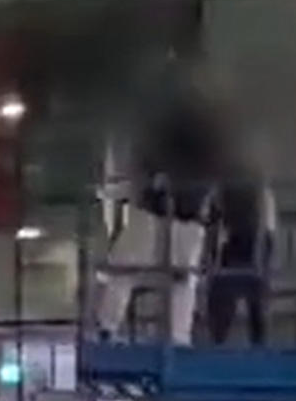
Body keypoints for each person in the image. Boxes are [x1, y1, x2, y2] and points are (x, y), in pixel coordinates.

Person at [96, 79, 232, 342]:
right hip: (189, 212)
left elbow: (146, 159)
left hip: (156, 207)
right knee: (182, 280)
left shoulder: (161, 124)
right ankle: (178, 338)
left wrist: (151, 178)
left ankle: (108, 326)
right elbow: (215, 170)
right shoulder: (210, 133)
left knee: (123, 268)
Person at [205, 151, 275, 345]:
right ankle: (220, 340)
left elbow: (261, 211)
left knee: (253, 293)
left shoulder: (249, 175)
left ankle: (255, 343)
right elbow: (214, 215)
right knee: (225, 289)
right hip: (240, 234)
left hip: (254, 234)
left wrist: (258, 251)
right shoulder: (225, 177)